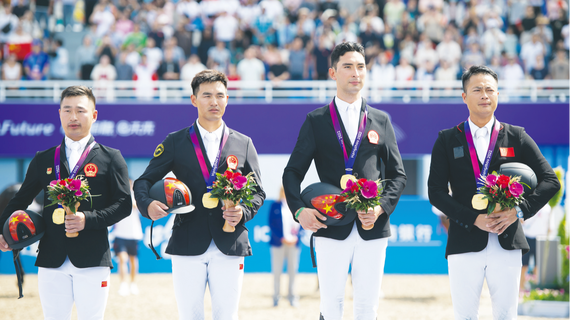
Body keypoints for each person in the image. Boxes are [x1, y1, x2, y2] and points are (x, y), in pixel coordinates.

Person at [282, 42, 407, 320]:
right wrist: (299, 211)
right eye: (348, 66)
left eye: (361, 66)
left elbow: (398, 175)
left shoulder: (381, 120)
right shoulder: (316, 121)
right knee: (331, 305)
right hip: (330, 225)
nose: (356, 72)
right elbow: (292, 172)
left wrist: (380, 208)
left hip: (372, 227)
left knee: (367, 307)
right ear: (333, 73)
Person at [427, 65, 561, 319]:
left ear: (498, 95)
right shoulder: (447, 139)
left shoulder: (516, 136)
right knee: (465, 315)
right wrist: (472, 218)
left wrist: (518, 212)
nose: (484, 95)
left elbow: (550, 181)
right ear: (464, 96)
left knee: (506, 315)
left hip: (507, 240)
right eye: (477, 89)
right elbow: (435, 192)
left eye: (490, 89)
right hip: (464, 241)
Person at [133, 70, 266, 320]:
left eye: (220, 95)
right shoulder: (175, 142)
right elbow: (143, 180)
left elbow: (258, 191)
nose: (214, 101)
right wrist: (147, 204)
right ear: (194, 100)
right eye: (206, 95)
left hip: (230, 240)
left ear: (227, 99)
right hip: (187, 242)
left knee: (227, 316)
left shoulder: (244, 143)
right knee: (189, 316)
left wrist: (243, 212)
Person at [0, 85, 132, 319]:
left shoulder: (111, 157)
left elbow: (123, 204)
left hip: (93, 259)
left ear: (94, 115)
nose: (73, 117)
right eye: (67, 110)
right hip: (51, 259)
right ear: (59, 113)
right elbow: (20, 199)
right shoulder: (43, 159)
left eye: (80, 110)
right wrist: (2, 230)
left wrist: (87, 220)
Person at [269, 187, 300, 307]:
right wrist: (281, 237)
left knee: (293, 271)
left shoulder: (296, 205)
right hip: (279, 244)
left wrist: (296, 237)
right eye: (283, 190)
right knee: (277, 271)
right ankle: (276, 297)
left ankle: (292, 297)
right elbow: (271, 224)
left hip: (293, 244)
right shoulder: (275, 206)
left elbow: (301, 223)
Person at [112, 181, 143, 297]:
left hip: (134, 234)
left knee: (133, 260)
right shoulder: (117, 195)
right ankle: (123, 284)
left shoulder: (136, 195)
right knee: (122, 259)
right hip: (120, 234)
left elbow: (135, 206)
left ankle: (133, 284)